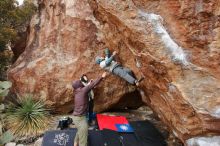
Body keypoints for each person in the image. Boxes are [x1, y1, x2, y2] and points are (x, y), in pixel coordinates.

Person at [72, 72, 107, 146]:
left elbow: (88, 86)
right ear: (80, 85)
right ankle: (77, 143)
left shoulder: (76, 92)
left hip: (76, 117)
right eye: (80, 82)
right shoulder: (83, 90)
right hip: (80, 118)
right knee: (83, 140)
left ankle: (75, 143)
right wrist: (102, 77)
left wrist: (88, 83)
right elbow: (93, 84)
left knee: (80, 131)